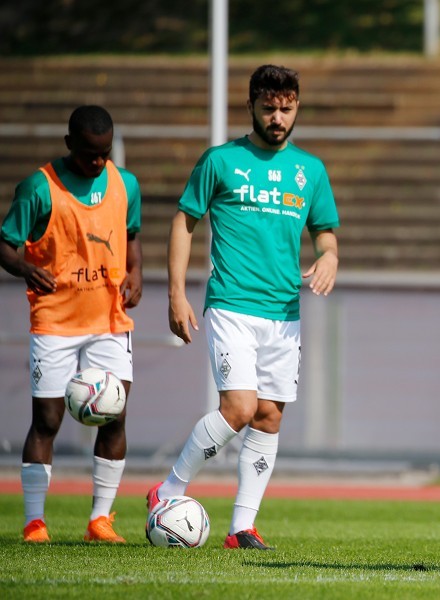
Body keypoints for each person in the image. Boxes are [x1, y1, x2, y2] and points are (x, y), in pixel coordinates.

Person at [148, 64, 340, 550]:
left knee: (269, 416)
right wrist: (175, 292)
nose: (278, 117)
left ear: (297, 107)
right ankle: (167, 489)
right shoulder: (220, 161)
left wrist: (330, 257)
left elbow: (324, 232)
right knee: (238, 408)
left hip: (284, 313)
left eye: (287, 108)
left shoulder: (310, 170)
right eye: (269, 107)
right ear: (251, 105)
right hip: (232, 303)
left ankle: (241, 528)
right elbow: (184, 222)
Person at [0, 105, 143, 544]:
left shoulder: (125, 183)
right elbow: (5, 246)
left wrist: (135, 273)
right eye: (88, 155)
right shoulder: (38, 188)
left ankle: (101, 521)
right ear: (69, 145)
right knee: (47, 420)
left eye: (103, 154)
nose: (98, 163)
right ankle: (34, 521)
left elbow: (131, 234)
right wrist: (25, 268)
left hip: (108, 319)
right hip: (55, 320)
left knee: (114, 417)